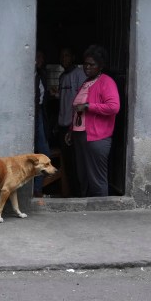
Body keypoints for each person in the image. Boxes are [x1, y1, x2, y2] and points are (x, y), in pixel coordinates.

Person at [65, 45, 120, 197]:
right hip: (80, 135)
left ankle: (101, 213)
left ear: (100, 66)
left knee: (97, 179)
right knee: (83, 177)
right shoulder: (86, 83)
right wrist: (71, 130)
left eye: (92, 64)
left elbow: (113, 107)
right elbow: (78, 109)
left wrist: (89, 106)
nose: (87, 67)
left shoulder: (106, 82)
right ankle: (86, 211)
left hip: (97, 138)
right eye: (85, 64)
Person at [56, 47, 86, 196]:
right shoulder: (62, 77)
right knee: (67, 163)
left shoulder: (79, 75)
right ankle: (71, 194)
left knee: (76, 162)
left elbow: (81, 100)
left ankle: (79, 194)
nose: (64, 59)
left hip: (73, 126)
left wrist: (73, 126)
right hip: (62, 125)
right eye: (62, 56)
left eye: (67, 55)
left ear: (73, 57)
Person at [33, 50, 51, 197]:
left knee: (43, 152)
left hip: (39, 114)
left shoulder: (41, 75)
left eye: (41, 57)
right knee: (35, 153)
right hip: (31, 115)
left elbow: (43, 101)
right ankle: (33, 190)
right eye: (37, 56)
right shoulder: (29, 76)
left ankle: (37, 190)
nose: (39, 60)